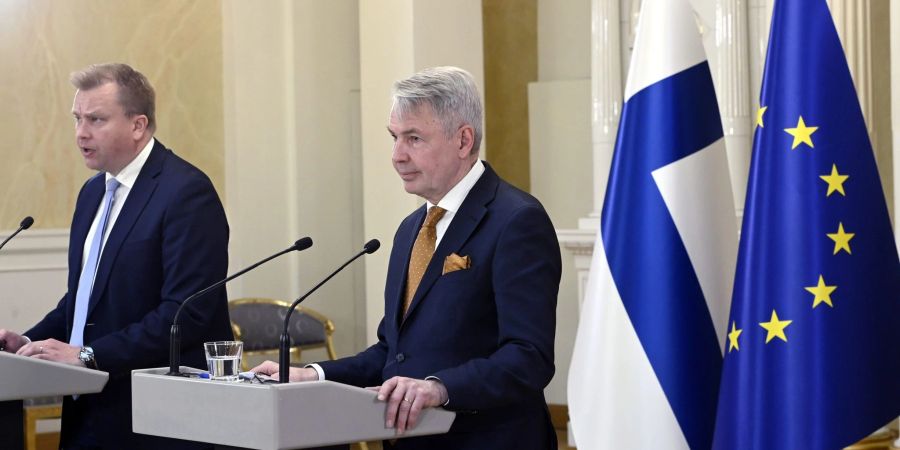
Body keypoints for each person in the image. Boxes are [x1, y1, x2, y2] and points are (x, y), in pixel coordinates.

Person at [253, 66, 562, 449]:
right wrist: (313, 375)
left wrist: (439, 388)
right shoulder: (410, 229)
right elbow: (393, 352)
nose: (397, 156)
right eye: (394, 137)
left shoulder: (516, 220)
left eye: (414, 138)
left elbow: (528, 357)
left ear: (463, 140)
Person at [0, 63, 232, 449]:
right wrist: (27, 344)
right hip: (88, 408)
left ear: (138, 125)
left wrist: (89, 355)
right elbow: (82, 303)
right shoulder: (93, 193)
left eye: (96, 119)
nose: (80, 133)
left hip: (155, 414)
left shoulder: (186, 193)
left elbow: (185, 314)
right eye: (77, 118)